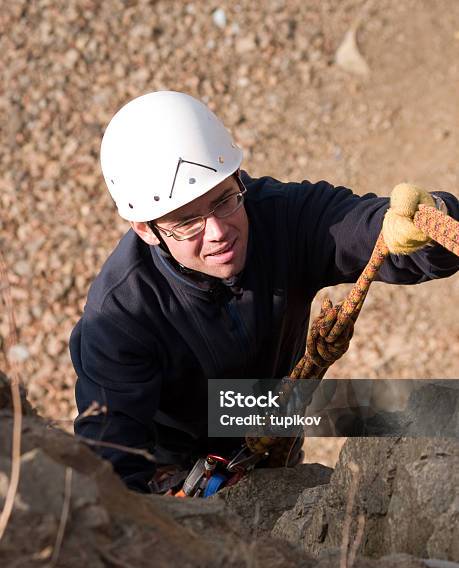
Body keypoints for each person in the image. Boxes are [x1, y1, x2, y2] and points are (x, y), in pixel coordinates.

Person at [70, 90, 459, 494]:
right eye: (187, 221)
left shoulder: (281, 217)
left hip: (266, 416)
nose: (219, 232)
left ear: (239, 179)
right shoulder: (120, 315)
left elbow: (364, 226)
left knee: (427, 410)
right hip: (177, 455)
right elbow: (110, 463)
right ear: (146, 230)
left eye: (224, 200)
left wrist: (431, 221)